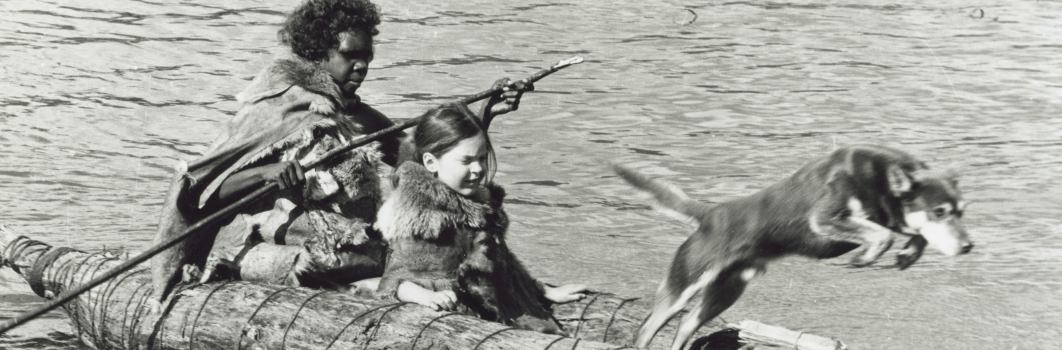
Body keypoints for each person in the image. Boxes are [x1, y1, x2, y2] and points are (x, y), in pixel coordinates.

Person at [149, 0, 527, 308]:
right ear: (318, 53)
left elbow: (424, 165)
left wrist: (480, 118)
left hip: (362, 251)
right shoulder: (276, 110)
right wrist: (268, 174)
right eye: (351, 55)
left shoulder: (361, 117)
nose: (362, 66)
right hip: (303, 256)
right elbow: (204, 195)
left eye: (368, 56)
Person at [372, 102, 588, 334]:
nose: (478, 169)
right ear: (431, 163)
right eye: (466, 161)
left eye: (482, 158)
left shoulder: (477, 202)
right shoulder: (419, 213)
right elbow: (393, 279)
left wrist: (541, 290)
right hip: (452, 311)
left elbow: (500, 260)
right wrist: (421, 295)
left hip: (487, 299)